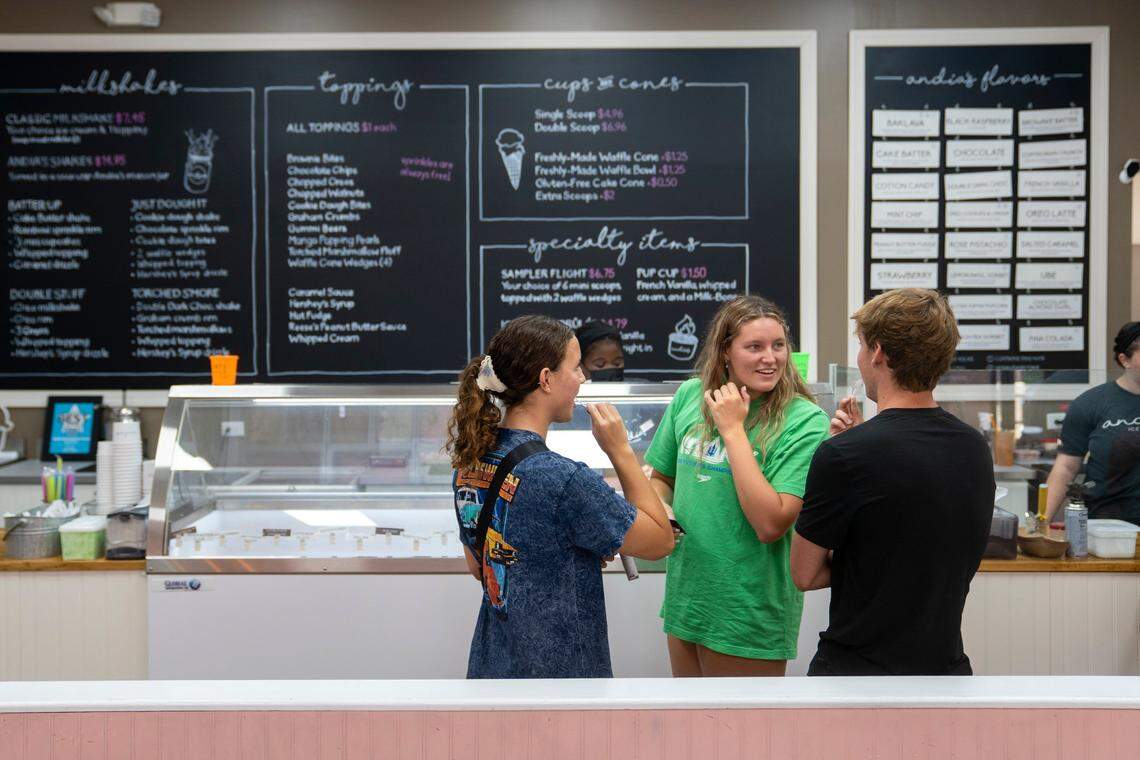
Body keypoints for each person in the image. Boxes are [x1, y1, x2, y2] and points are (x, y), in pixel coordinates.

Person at [447, 314, 674, 678]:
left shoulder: (470, 462)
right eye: (576, 367)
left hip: (492, 669)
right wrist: (621, 451)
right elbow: (660, 540)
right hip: (562, 681)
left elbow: (480, 564)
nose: (583, 378)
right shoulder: (562, 478)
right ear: (546, 379)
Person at [790, 288, 994, 676]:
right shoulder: (974, 446)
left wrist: (861, 558)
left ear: (879, 352)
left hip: (857, 677)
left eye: (863, 346)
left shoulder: (844, 455)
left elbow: (804, 573)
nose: (861, 358)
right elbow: (925, 544)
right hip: (944, 672)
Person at [643, 296, 829, 676]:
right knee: (691, 732)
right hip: (687, 599)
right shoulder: (690, 396)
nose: (770, 358)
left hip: (747, 610)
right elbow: (661, 478)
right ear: (725, 351)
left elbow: (771, 523)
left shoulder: (805, 420)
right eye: (754, 347)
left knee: (741, 736)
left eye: (778, 346)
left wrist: (732, 430)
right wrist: (662, 507)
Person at [1045, 321, 1140, 525]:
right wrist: (1042, 522)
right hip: (1109, 525)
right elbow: (1067, 467)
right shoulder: (1091, 403)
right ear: (1125, 360)